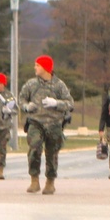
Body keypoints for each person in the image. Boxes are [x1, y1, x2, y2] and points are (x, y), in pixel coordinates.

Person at [19, 55, 74, 195]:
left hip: (54, 124)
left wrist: (57, 103)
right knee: (34, 148)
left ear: (46, 68)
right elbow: (21, 99)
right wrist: (26, 106)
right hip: (35, 122)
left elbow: (70, 103)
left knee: (52, 153)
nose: (35, 68)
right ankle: (34, 180)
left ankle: (50, 182)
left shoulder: (59, 85)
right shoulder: (31, 84)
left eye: (37, 65)